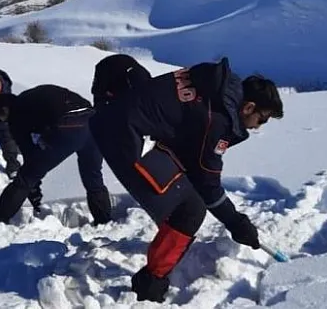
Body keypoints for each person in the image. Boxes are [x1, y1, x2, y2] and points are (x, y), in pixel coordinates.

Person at [88, 57, 284, 302]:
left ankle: (167, 240)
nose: (258, 126)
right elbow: (208, 183)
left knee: (184, 191)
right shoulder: (218, 120)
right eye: (262, 118)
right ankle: (150, 285)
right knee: (190, 209)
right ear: (248, 107)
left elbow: (191, 146)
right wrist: (236, 223)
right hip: (123, 137)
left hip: (124, 122)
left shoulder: (217, 87)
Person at [0, 84, 113, 238]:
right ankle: (105, 223)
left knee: (24, 180)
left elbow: (30, 156)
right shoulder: (30, 97)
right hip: (92, 121)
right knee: (93, 178)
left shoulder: (16, 116)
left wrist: (33, 188)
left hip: (68, 126)